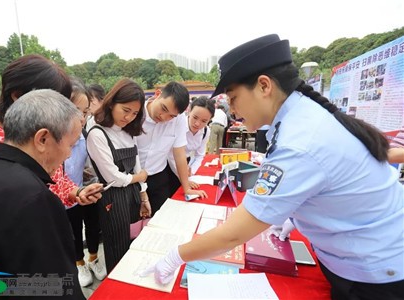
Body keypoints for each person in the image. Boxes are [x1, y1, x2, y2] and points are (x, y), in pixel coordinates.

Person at [143, 34, 404, 300]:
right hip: (364, 257)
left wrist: (176, 256)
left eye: (233, 98)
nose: (232, 109)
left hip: (376, 273)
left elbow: (234, 235)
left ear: (264, 86)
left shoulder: (300, 140)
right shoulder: (299, 116)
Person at [0, 89, 94, 299]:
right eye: (70, 145)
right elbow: (52, 286)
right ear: (42, 139)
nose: (68, 154)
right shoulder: (33, 198)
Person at [0, 54, 101, 206]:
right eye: (52, 103)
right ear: (17, 96)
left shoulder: (45, 137)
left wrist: (77, 192)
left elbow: (56, 182)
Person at [86, 78, 151, 273]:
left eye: (135, 113)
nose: (129, 117)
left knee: (134, 242)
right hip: (112, 199)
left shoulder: (128, 132)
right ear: (112, 102)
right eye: (126, 110)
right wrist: (139, 178)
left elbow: (137, 164)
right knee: (117, 246)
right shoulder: (97, 133)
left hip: (132, 194)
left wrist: (143, 195)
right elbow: (113, 177)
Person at [134, 82, 208, 216]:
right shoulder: (136, 112)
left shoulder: (178, 120)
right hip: (132, 178)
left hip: (157, 176)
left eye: (171, 116)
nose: (163, 117)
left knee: (162, 217)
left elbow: (179, 154)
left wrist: (186, 188)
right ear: (158, 94)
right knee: (133, 222)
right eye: (163, 108)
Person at [64, 78, 105, 287]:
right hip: (65, 199)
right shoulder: (53, 140)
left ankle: (93, 259)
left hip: (84, 192)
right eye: (76, 110)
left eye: (85, 111)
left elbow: (89, 167)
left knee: (92, 225)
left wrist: (93, 186)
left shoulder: (85, 137)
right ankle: (79, 263)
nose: (81, 117)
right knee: (72, 232)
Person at [165, 96, 215, 196]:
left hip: (186, 163)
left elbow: (199, 155)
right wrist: (184, 177)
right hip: (169, 165)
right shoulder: (179, 125)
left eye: (204, 121)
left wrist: (191, 173)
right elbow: (171, 156)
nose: (197, 124)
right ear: (189, 111)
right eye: (195, 117)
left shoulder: (206, 131)